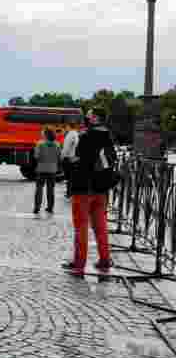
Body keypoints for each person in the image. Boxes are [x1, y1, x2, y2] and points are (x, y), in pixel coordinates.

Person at [62, 108, 118, 276]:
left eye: (89, 114)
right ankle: (104, 260)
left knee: (81, 227)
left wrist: (68, 163)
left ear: (94, 118)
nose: (86, 117)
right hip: (101, 189)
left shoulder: (86, 136)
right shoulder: (108, 135)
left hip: (83, 188)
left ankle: (79, 263)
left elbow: (80, 160)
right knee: (101, 227)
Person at [33, 129, 60, 215]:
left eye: (43, 133)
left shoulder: (40, 144)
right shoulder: (57, 144)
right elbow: (59, 156)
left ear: (46, 135)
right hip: (52, 169)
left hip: (41, 168)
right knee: (51, 189)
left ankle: (37, 207)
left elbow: (36, 156)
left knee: (39, 188)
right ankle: (50, 207)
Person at [61, 126, 81, 199]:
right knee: (72, 177)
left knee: (69, 177)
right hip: (75, 158)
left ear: (68, 127)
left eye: (65, 127)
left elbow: (66, 148)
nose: (64, 129)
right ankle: (71, 192)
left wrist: (62, 156)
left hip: (70, 158)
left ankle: (69, 192)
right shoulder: (76, 134)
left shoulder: (70, 135)